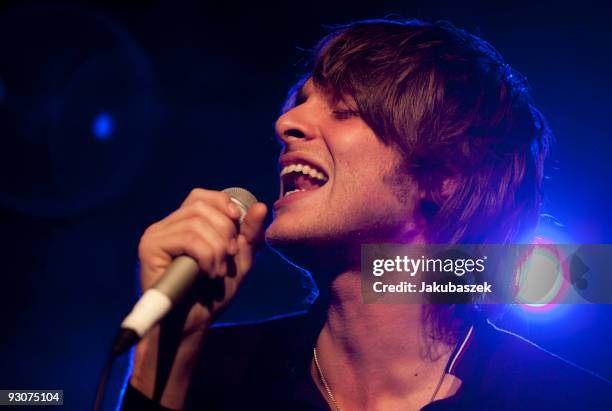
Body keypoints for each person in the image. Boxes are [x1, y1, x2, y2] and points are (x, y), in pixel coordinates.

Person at [120, 19, 612, 410]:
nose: (285, 123)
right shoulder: (213, 374)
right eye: (302, 102)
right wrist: (168, 349)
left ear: (445, 176)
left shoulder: (567, 400)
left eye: (345, 109)